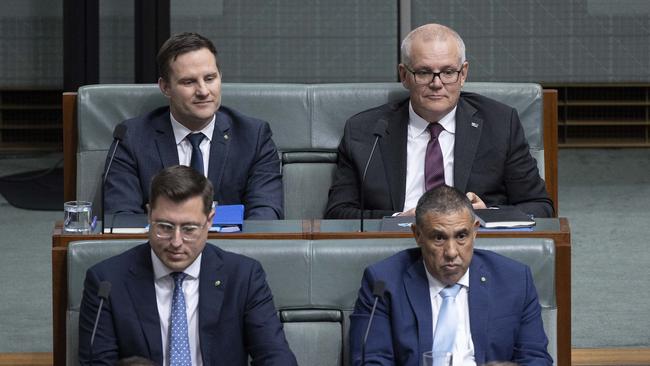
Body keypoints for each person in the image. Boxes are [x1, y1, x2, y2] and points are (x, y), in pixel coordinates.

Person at [325, 23, 553, 220]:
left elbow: (539, 206)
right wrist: (398, 220)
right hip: (394, 245)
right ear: (404, 75)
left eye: (448, 72)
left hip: (472, 248)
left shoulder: (501, 124)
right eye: (424, 72)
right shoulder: (365, 131)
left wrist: (487, 214)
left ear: (463, 74)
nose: (437, 83)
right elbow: (338, 213)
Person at [79, 165, 297, 365]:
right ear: (149, 214)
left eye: (189, 229)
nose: (176, 242)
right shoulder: (107, 282)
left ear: (210, 220)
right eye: (164, 227)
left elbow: (275, 357)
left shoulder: (244, 277)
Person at [349, 185, 552, 365]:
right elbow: (371, 360)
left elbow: (536, 358)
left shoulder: (514, 279)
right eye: (439, 238)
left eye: (461, 236)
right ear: (417, 235)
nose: (452, 252)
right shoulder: (383, 282)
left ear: (475, 231)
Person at [103, 32, 283, 219]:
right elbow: (121, 217)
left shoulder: (253, 137)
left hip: (233, 247)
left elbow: (266, 214)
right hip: (163, 247)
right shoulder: (131, 138)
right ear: (165, 87)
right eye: (189, 82)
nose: (203, 91)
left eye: (210, 78)